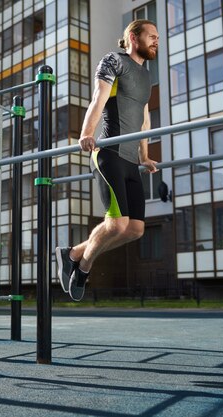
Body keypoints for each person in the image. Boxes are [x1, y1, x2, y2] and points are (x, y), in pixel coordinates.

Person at [56, 19, 160, 301]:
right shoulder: (114, 61)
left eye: (157, 38)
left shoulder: (146, 77)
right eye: (151, 36)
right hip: (109, 153)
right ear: (132, 37)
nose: (156, 41)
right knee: (116, 224)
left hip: (129, 160)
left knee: (135, 229)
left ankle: (73, 254)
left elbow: (145, 120)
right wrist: (87, 133)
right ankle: (83, 268)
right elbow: (99, 98)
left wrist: (145, 155)